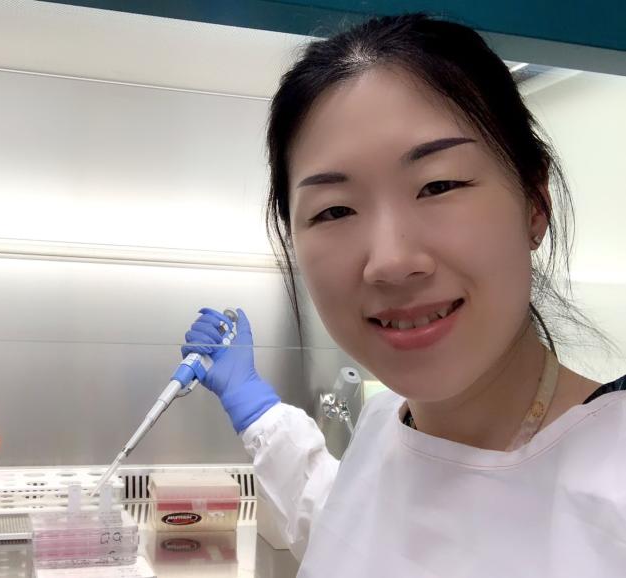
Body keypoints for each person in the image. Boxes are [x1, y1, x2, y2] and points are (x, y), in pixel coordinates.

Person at [181, 13, 626, 577]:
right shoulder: (385, 425)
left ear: (534, 201)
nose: (390, 261)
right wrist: (255, 410)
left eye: (438, 185)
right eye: (334, 210)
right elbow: (356, 530)